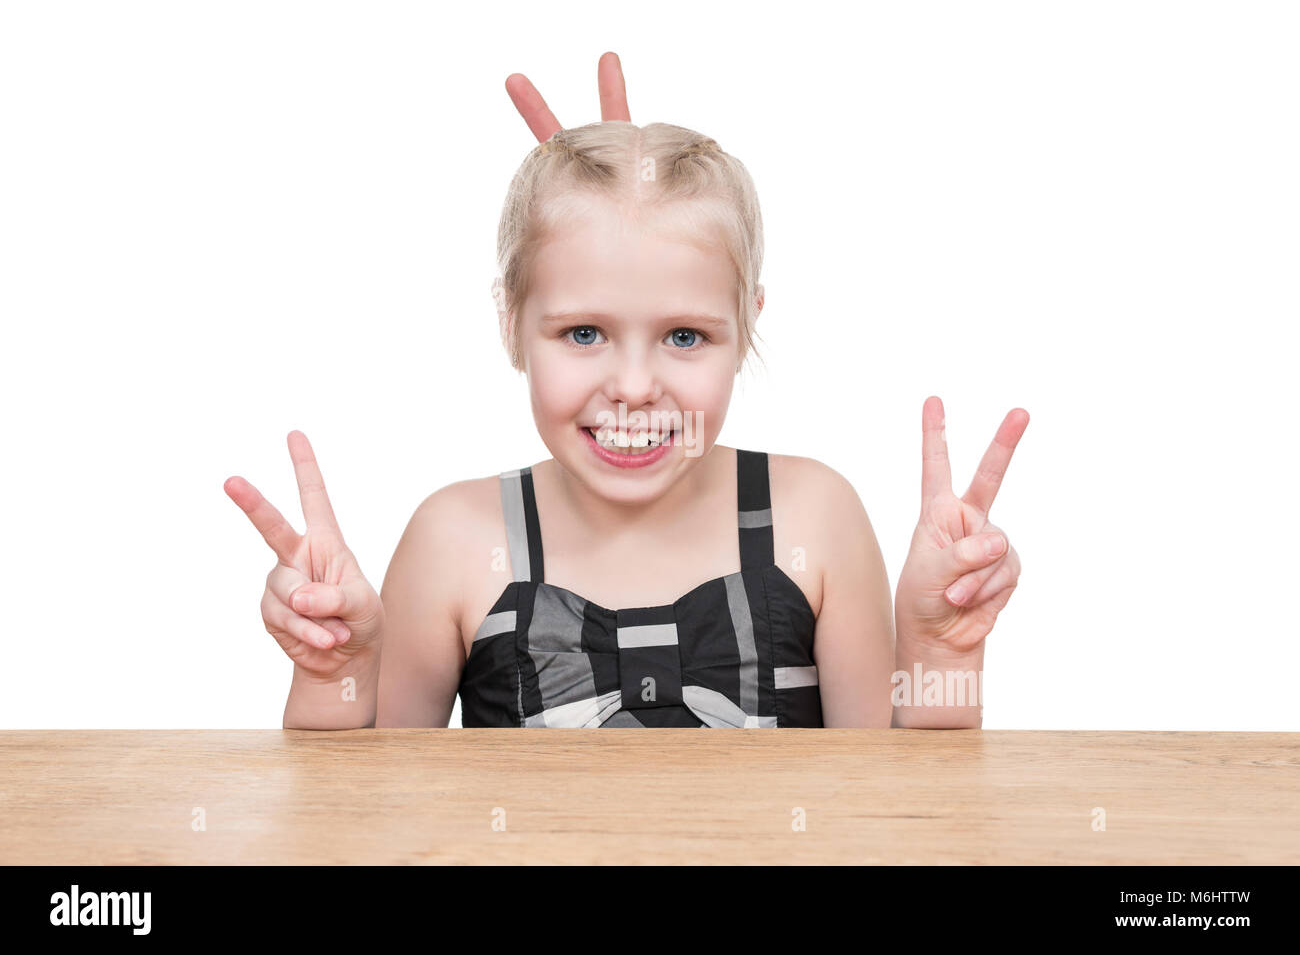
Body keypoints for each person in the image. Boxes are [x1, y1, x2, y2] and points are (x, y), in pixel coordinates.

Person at [224, 53, 1027, 730]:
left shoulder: (814, 517)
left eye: (684, 336)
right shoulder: (453, 542)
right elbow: (366, 824)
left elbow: (899, 823)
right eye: (583, 333)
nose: (636, 389)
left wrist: (939, 656)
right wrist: (334, 671)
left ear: (746, 326)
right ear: (510, 322)